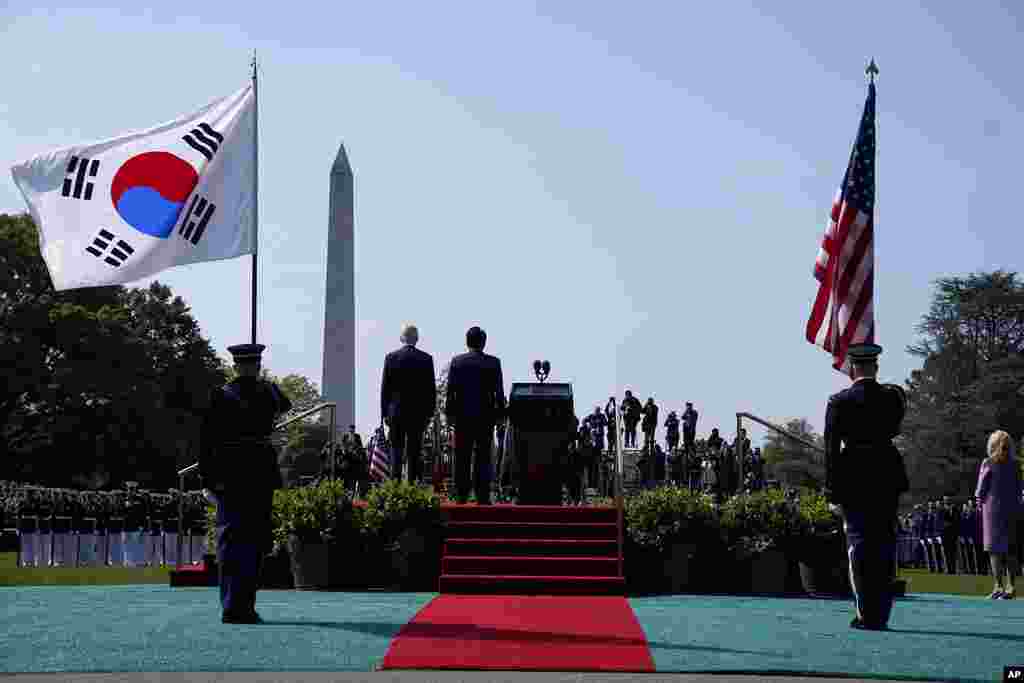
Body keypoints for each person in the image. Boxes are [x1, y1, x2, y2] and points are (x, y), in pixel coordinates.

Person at [199, 343, 291, 625]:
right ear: (257, 366)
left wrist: (207, 480)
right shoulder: (269, 392)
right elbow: (285, 404)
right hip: (259, 473)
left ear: (235, 366)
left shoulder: (221, 396)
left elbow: (207, 442)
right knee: (253, 541)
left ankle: (232, 605)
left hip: (230, 475)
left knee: (232, 541)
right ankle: (245, 605)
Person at [824, 343, 909, 631]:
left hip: (854, 477)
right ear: (876, 366)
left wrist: (831, 491)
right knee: (884, 543)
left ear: (851, 368)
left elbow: (831, 450)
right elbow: (895, 427)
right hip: (886, 473)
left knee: (859, 545)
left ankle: (866, 613)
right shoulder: (892, 398)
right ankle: (882, 612)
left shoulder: (839, 401)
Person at [445, 326, 505, 504]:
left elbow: (450, 392)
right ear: (484, 342)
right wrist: (501, 415)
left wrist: (449, 415)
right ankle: (483, 496)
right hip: (486, 416)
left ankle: (461, 495)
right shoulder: (493, 362)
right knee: (483, 457)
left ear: (467, 341)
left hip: (462, 417)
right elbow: (499, 393)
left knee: (461, 456)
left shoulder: (457, 362)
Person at [381, 324, 437, 485]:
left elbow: (385, 389)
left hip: (396, 412)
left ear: (402, 338)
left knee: (396, 452)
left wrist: (385, 413)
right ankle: (412, 485)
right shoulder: (426, 359)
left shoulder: (391, 357)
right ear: (417, 339)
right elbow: (430, 391)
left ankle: (395, 486)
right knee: (414, 453)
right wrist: (429, 414)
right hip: (418, 414)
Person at [975, 430, 1021, 599]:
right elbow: (1018, 488)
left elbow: (981, 489)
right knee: (1010, 550)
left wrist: (979, 504)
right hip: (1012, 508)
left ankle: (998, 586)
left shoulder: (988, 462)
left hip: (992, 509)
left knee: (994, 550)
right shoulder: (1016, 464)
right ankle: (1011, 587)